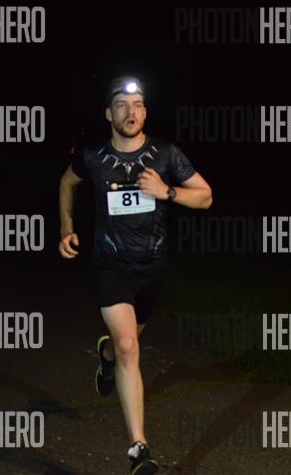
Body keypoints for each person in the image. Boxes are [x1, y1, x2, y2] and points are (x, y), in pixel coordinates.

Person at [58, 75, 212, 474]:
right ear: (108, 113)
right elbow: (67, 182)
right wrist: (66, 227)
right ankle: (138, 449)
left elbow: (206, 196)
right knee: (130, 346)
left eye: (139, 104)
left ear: (145, 112)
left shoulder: (166, 154)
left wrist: (167, 192)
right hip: (110, 266)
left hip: (152, 270)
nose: (131, 112)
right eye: (122, 105)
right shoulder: (93, 156)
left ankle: (105, 355)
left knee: (125, 344)